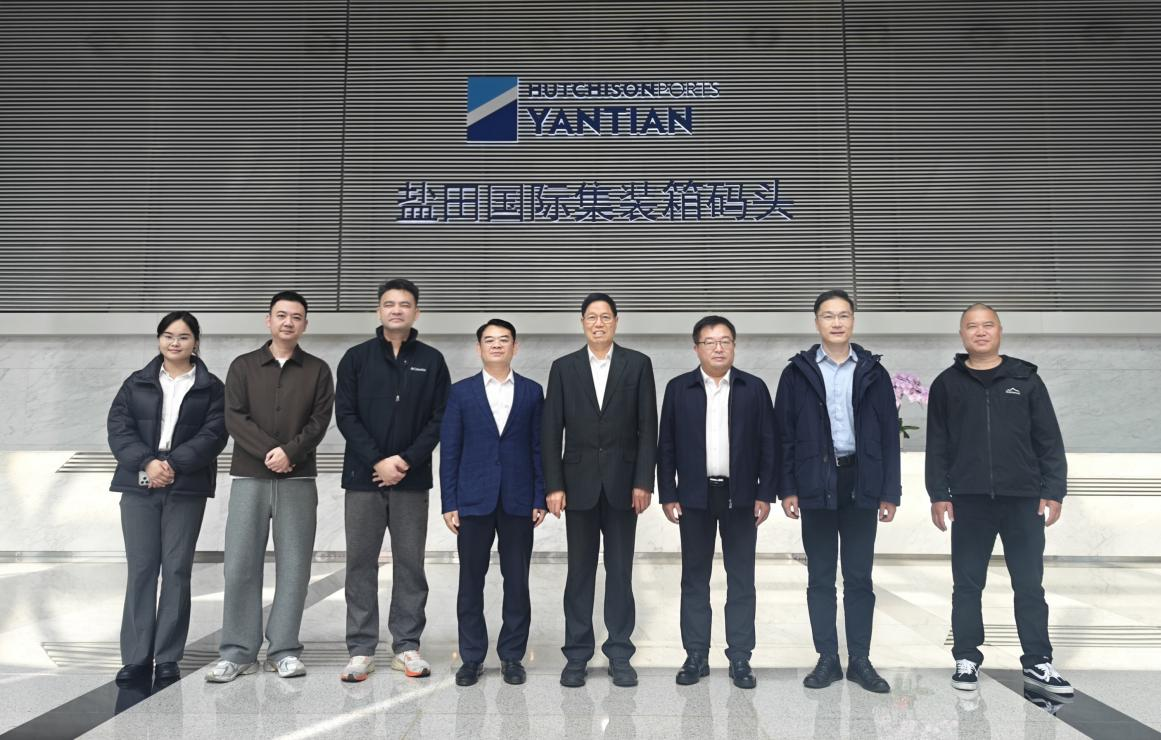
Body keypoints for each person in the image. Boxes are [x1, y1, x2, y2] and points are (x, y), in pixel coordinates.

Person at [926, 303, 1071, 695]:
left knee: (1029, 584)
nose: (980, 332)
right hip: (969, 500)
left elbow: (1048, 439)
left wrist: (1053, 490)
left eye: (987, 325)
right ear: (962, 334)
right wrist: (939, 494)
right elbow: (937, 445)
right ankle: (966, 658)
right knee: (967, 584)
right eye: (972, 326)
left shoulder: (1025, 380)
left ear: (1000, 330)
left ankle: (1038, 661)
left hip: (1023, 499)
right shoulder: (947, 384)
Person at [774, 288, 899, 694]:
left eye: (843, 315)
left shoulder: (874, 372)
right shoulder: (797, 373)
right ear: (817, 322)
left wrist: (889, 491)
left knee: (859, 576)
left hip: (861, 481)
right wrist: (787, 487)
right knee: (821, 576)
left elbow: (888, 435)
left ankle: (860, 659)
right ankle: (827, 657)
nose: (837, 322)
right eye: (828, 316)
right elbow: (784, 435)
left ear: (853, 321)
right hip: (815, 482)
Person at [206, 291, 334, 682]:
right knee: (240, 565)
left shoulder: (317, 370)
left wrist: (290, 453)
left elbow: (319, 421)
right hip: (250, 477)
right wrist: (271, 452)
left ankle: (284, 650)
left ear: (305, 324)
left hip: (298, 479)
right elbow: (235, 418)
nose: (288, 322)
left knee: (295, 567)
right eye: (281, 315)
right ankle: (238, 652)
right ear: (268, 320)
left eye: (296, 316)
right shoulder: (243, 366)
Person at [335, 278, 450, 682]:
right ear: (379, 310)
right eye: (389, 304)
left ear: (416, 312)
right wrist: (378, 460)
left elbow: (440, 418)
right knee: (360, 563)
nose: (396, 310)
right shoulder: (356, 358)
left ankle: (406, 645)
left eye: (404, 304)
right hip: (362, 478)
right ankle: (361, 649)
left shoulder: (432, 360)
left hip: (411, 479)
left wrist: (404, 460)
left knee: (410, 563)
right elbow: (345, 415)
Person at [542, 292, 658, 688]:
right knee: (579, 573)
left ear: (616, 322)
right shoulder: (563, 368)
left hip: (625, 486)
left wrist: (643, 481)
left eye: (605, 317)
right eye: (591, 317)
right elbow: (550, 431)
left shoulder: (637, 364)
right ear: (582, 322)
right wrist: (554, 485)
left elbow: (648, 428)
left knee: (620, 572)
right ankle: (576, 655)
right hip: (578, 486)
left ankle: (620, 653)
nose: (598, 323)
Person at [108, 311, 228, 685]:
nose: (175, 343)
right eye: (168, 336)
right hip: (139, 480)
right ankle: (135, 657)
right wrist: (148, 462)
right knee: (142, 568)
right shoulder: (137, 382)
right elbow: (119, 429)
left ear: (196, 343)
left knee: (176, 569)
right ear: (159, 339)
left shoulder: (212, 387)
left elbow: (215, 434)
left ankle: (168, 657)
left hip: (186, 482)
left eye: (183, 337)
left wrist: (172, 464)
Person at [657, 316, 775, 689]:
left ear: (734, 346)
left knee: (741, 578)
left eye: (725, 341)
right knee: (695, 578)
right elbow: (666, 445)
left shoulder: (753, 388)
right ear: (697, 349)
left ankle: (740, 657)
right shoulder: (679, 389)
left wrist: (765, 493)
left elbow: (769, 444)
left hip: (741, 496)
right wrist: (668, 493)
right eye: (710, 342)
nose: (718, 348)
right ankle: (696, 655)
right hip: (694, 496)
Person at [440, 319, 546, 687]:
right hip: (473, 500)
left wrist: (539, 496)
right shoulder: (460, 393)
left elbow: (539, 448)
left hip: (519, 499)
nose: (497, 345)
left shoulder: (532, 392)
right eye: (490, 340)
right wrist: (449, 502)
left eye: (504, 340)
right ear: (479, 348)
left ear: (515, 347)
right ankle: (471, 658)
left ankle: (512, 656)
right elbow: (450, 451)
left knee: (517, 581)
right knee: (471, 582)